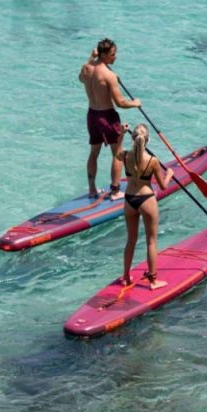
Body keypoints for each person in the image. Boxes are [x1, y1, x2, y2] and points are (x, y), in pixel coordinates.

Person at [79, 38, 141, 200]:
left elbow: (81, 78)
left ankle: (92, 190)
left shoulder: (86, 68)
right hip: (107, 116)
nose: (115, 57)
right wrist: (135, 103)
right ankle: (115, 191)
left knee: (94, 153)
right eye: (113, 55)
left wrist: (91, 58)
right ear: (104, 55)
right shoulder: (109, 75)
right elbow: (120, 103)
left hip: (92, 115)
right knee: (118, 153)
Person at [118, 124, 174, 290]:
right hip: (146, 199)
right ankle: (153, 281)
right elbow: (163, 186)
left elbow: (116, 152)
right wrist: (169, 175)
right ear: (147, 140)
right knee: (151, 241)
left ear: (132, 139)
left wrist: (121, 134)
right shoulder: (152, 160)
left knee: (131, 240)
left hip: (129, 200)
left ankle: (126, 276)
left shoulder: (126, 155)